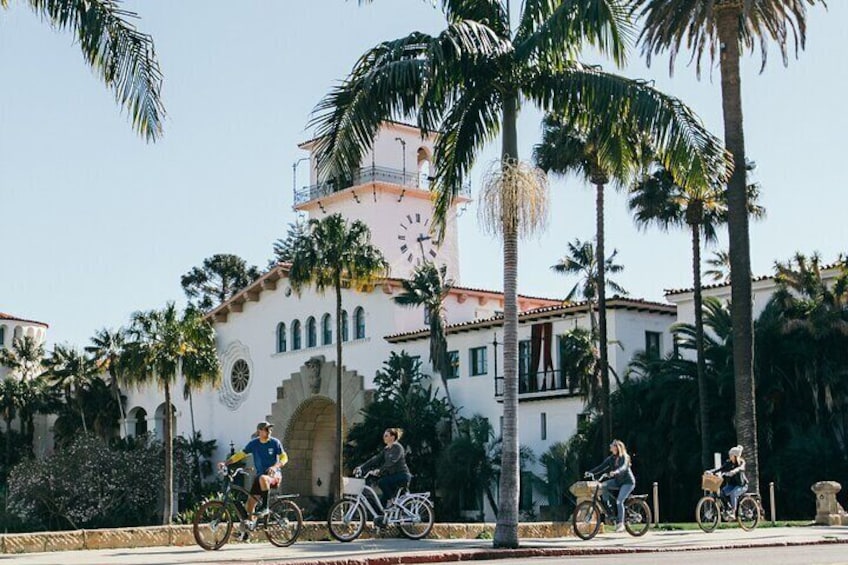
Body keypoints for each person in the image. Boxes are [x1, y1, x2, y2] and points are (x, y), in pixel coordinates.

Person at [221, 421, 288, 540]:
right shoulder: (254, 444)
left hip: (274, 476)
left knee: (263, 478)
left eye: (269, 429)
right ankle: (247, 531)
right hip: (260, 478)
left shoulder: (274, 443)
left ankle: (265, 507)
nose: (269, 431)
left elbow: (284, 457)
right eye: (266, 429)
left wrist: (275, 467)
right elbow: (240, 455)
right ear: (259, 432)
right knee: (250, 504)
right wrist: (226, 463)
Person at [354, 427, 411, 524]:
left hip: (402, 476)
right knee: (381, 503)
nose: (384, 437)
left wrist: (380, 470)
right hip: (393, 477)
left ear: (392, 437)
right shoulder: (386, 449)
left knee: (382, 482)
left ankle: (392, 502)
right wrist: (361, 467)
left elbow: (391, 462)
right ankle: (383, 521)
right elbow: (375, 459)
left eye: (386, 435)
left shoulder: (398, 448)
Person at [585, 439, 635, 533]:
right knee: (602, 485)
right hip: (617, 481)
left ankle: (621, 524)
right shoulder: (611, 458)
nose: (610, 446)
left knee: (619, 501)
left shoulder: (625, 457)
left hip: (628, 482)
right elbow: (601, 466)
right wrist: (590, 472)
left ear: (616, 447)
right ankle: (609, 509)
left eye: (612, 445)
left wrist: (616, 472)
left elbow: (624, 467)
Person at [712, 445, 747, 518]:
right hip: (732, 485)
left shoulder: (741, 462)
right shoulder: (728, 462)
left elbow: (741, 468)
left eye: (731, 455)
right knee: (722, 493)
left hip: (742, 485)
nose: (729, 456)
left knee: (733, 493)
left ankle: (733, 513)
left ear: (735, 456)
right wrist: (711, 472)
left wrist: (734, 471)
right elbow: (721, 469)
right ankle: (728, 508)